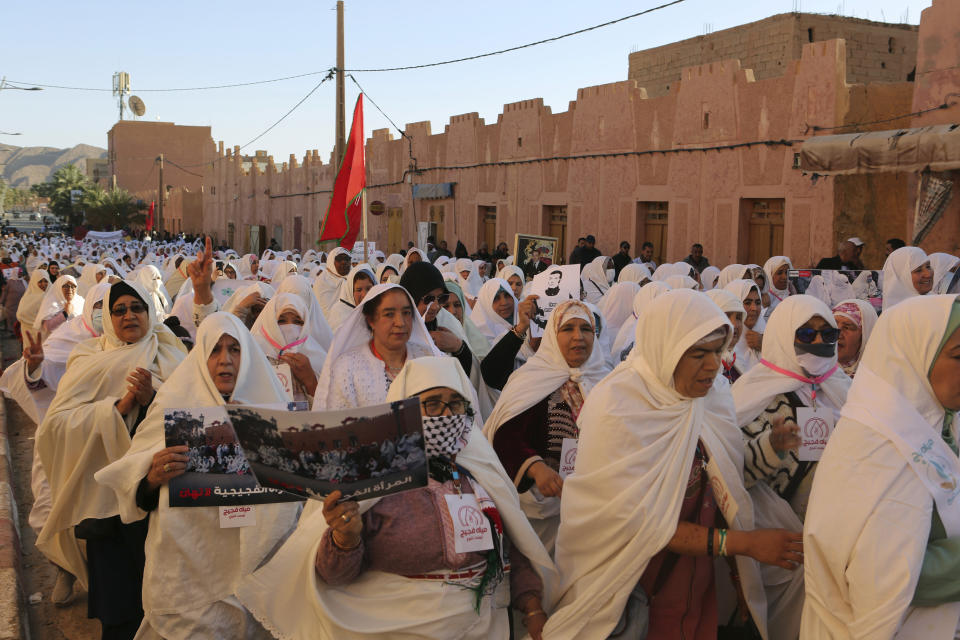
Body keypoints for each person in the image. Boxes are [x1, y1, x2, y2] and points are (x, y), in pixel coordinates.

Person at [235, 356, 556, 639]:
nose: (445, 414)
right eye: (431, 404)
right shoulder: (370, 474)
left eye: (454, 403)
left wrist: (531, 607)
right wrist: (344, 538)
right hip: (391, 626)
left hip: (481, 627)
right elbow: (333, 575)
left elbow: (511, 547)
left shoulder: (479, 471)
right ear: (403, 410)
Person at [544, 289, 802, 639]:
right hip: (627, 587)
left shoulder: (713, 398)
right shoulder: (619, 406)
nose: (713, 365)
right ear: (666, 348)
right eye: (698, 353)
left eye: (717, 351)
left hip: (696, 588)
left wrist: (740, 571)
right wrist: (744, 544)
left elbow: (725, 481)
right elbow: (639, 521)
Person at [96, 312, 302, 639]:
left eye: (234, 349)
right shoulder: (173, 404)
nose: (225, 360)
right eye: (215, 350)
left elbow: (297, 496)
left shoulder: (272, 408)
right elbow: (134, 484)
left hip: (259, 572)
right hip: (189, 577)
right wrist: (152, 475)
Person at [802, 295, 960, 639]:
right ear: (915, 355)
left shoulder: (941, 423)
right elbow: (878, 580)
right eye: (958, 356)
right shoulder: (872, 449)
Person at [35, 281, 187, 638]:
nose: (129, 315)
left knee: (168, 609)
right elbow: (54, 428)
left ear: (150, 312)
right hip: (107, 509)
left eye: (137, 307)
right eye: (119, 309)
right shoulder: (87, 358)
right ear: (108, 318)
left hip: (162, 504)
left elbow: (195, 415)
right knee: (119, 615)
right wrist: (115, 410)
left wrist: (153, 397)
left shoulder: (173, 356)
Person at [484, 301, 610, 554]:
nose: (578, 337)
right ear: (553, 334)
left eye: (586, 329)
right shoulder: (531, 379)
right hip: (544, 510)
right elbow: (507, 436)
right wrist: (535, 467)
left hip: (596, 505)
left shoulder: (607, 380)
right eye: (568, 329)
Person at [731, 295, 851, 522]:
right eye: (806, 334)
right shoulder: (754, 394)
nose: (818, 342)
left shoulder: (844, 388)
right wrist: (770, 448)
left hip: (843, 524)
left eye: (827, 334)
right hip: (779, 530)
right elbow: (730, 474)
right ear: (783, 336)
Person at [313, 283, 440, 410]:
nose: (400, 323)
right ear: (371, 320)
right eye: (389, 314)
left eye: (406, 313)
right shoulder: (347, 368)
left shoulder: (428, 359)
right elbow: (338, 424)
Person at [400, 262, 475, 377]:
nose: (435, 306)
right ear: (411, 297)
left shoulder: (448, 322)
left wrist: (458, 347)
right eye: (428, 299)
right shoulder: (397, 329)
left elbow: (468, 377)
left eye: (441, 298)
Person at [251, 293, 327, 405]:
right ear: (269, 323)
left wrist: (310, 381)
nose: (290, 328)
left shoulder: (319, 359)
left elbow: (329, 410)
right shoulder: (253, 354)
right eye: (281, 321)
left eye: (298, 322)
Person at [723, 279, 765, 376]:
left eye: (758, 303)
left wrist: (765, 345)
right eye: (747, 303)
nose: (754, 308)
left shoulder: (766, 333)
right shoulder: (723, 342)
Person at [705, 289, 747, 384]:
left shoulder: (737, 357)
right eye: (726, 316)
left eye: (738, 318)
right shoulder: (701, 368)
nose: (735, 324)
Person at [832, 299, 878, 378]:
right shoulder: (814, 371)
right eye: (833, 324)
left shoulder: (878, 377)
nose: (837, 334)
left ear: (865, 336)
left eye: (847, 327)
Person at [325, 265, 376, 332]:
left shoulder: (379, 308)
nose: (365, 295)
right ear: (351, 291)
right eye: (359, 290)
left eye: (369, 288)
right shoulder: (340, 314)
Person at [882, 246, 932, 311]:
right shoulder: (891, 314)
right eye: (918, 270)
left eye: (928, 267)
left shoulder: (940, 305)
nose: (928, 274)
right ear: (902, 277)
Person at [34, 275, 81, 340]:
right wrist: (65, 313)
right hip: (56, 343)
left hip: (75, 341)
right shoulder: (51, 302)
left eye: (73, 286)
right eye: (66, 286)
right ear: (59, 287)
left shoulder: (80, 301)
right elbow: (47, 327)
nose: (70, 289)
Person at [312, 247, 351, 312]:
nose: (344, 262)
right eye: (339, 259)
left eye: (347, 259)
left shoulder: (353, 279)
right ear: (331, 261)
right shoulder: (322, 281)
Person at [16, 269, 50, 338]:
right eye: (40, 281)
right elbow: (20, 315)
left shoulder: (51, 295)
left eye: (46, 281)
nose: (43, 284)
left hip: (47, 335)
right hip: (30, 335)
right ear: (34, 282)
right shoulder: (27, 297)